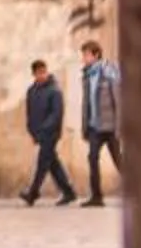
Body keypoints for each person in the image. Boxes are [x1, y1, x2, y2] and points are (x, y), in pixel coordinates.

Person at [22, 60, 78, 206]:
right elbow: (30, 113)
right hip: (39, 133)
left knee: (42, 163)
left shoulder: (54, 91)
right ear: (33, 74)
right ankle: (68, 191)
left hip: (50, 133)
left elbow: (56, 114)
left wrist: (44, 129)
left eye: (43, 72)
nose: (41, 75)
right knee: (52, 163)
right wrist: (32, 131)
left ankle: (33, 193)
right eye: (38, 73)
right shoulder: (32, 91)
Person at [80, 38, 123, 206]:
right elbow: (86, 103)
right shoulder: (87, 74)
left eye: (86, 54)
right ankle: (96, 197)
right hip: (94, 127)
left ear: (96, 55)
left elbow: (118, 100)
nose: (83, 58)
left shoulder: (109, 71)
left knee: (119, 160)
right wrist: (85, 127)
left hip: (110, 126)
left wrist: (119, 126)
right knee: (92, 158)